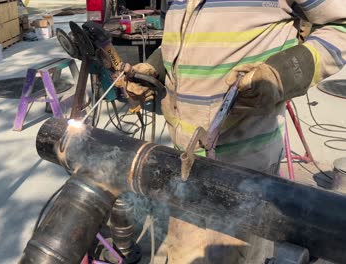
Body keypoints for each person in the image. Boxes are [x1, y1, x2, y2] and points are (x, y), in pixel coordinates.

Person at [116, 0, 346, 263]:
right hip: (185, 163)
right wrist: (155, 67)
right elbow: (189, 35)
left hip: (241, 175)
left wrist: (282, 74)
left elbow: (341, 25)